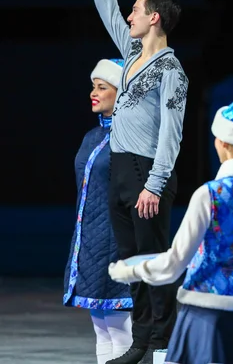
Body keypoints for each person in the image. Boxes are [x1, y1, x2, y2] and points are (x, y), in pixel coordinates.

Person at [108, 100, 233, 364]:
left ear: (224, 144)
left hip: (207, 316)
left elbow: (173, 265)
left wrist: (132, 270)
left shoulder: (210, 195)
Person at [87, 0, 189, 364]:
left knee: (153, 263)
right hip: (122, 171)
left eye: (136, 10)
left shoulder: (171, 69)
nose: (128, 15)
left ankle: (163, 341)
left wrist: (155, 183)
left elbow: (172, 131)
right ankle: (142, 341)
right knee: (132, 263)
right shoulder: (130, 53)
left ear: (155, 17)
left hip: (150, 172)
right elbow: (107, 8)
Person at [63, 58, 133, 364]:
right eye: (94, 85)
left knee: (119, 327)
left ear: (121, 93)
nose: (94, 92)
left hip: (116, 243)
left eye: (102, 87)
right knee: (101, 327)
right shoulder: (92, 136)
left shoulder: (130, 136)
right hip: (89, 241)